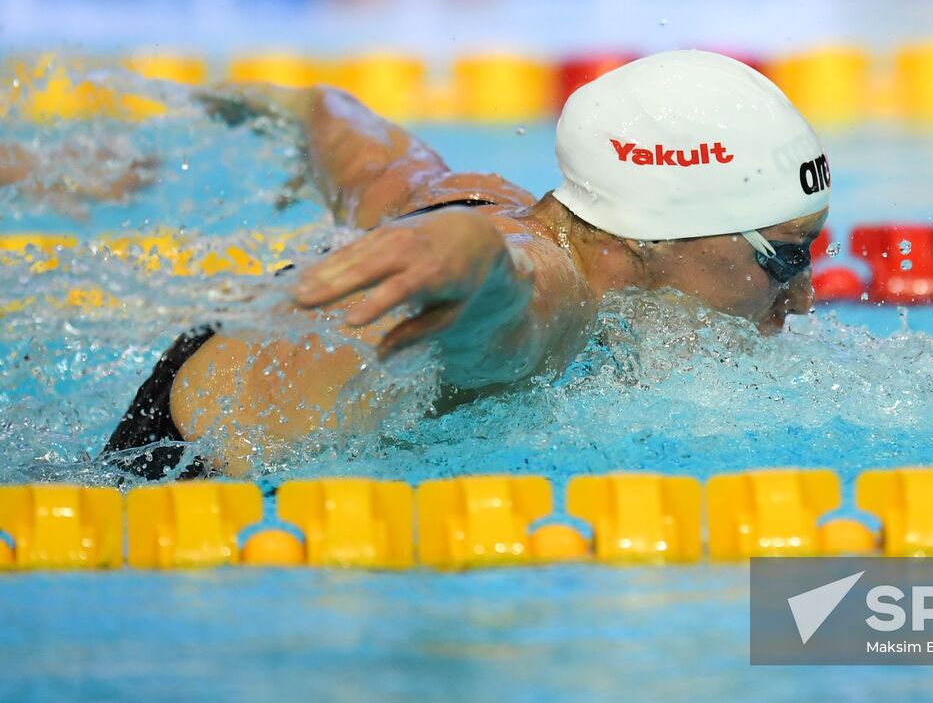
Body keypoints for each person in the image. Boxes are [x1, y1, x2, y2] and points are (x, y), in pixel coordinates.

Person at [100, 50, 831, 479]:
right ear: (653, 236)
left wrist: (267, 105)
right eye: (786, 256)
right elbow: (510, 294)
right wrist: (468, 258)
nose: (801, 296)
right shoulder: (557, 296)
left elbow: (342, 126)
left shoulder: (472, 197)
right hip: (165, 505)